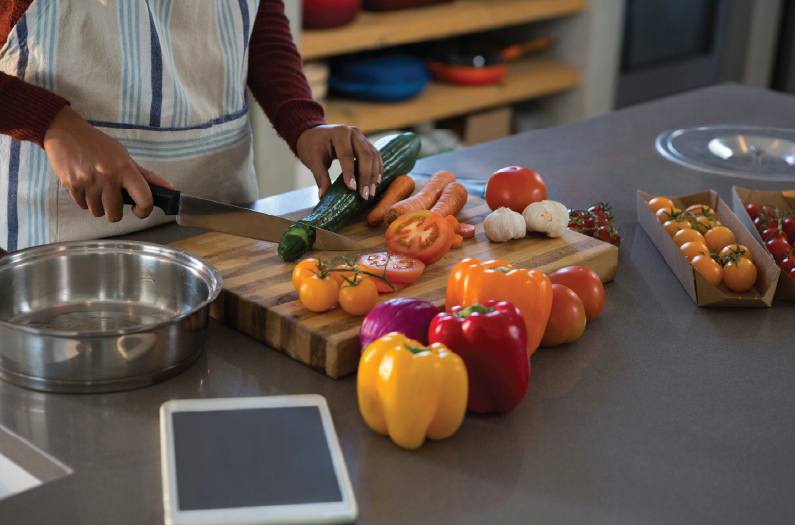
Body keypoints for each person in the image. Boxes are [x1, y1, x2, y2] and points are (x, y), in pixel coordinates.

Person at [0, 0, 383, 251]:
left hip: (221, 226)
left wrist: (303, 121)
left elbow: (259, 15)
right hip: (60, 248)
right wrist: (52, 124)